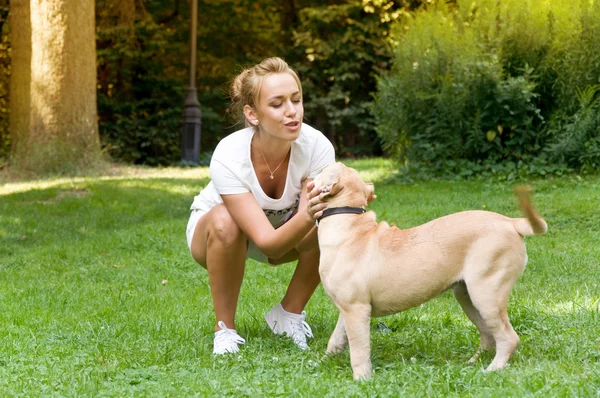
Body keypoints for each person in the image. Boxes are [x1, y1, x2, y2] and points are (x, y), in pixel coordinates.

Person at [186, 57, 335, 355]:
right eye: (277, 104)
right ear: (253, 115)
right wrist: (308, 214)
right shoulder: (229, 154)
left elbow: (297, 238)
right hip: (220, 236)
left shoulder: (317, 147)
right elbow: (269, 245)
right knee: (225, 221)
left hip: (285, 229)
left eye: (296, 99)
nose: (292, 111)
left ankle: (288, 314)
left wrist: (336, 210)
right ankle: (225, 330)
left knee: (333, 221)